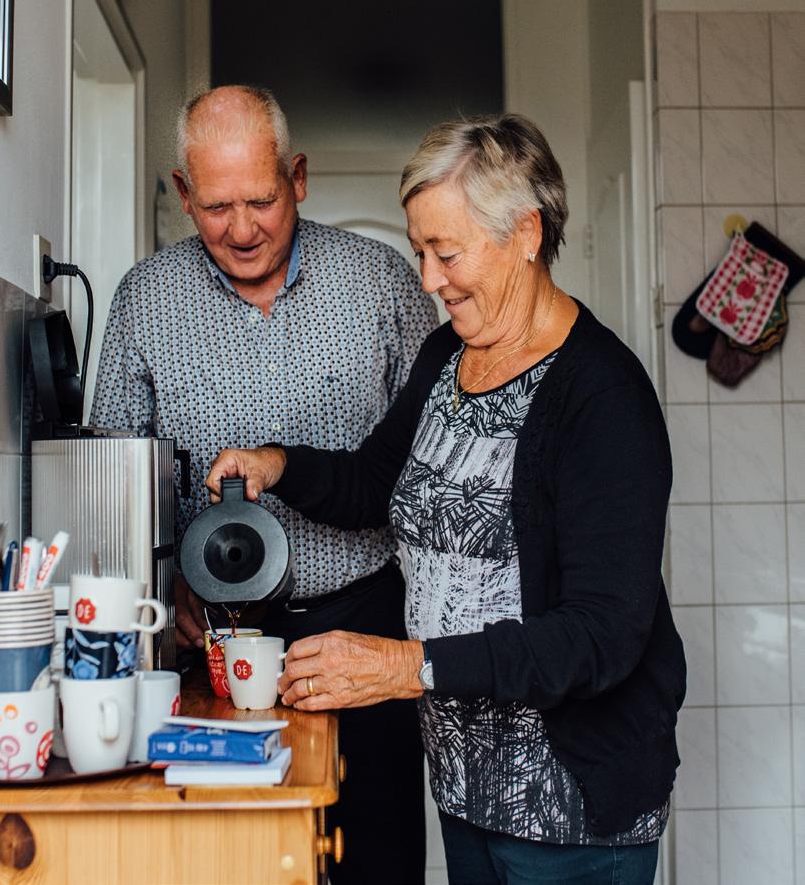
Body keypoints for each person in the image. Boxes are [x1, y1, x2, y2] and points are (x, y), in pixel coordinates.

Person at [205, 114, 687, 885]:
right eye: (417, 250)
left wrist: (408, 667)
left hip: (570, 810)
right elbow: (377, 481)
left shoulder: (603, 398)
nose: (428, 280)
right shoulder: (448, 355)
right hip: (466, 792)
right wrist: (278, 465)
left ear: (527, 233)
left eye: (446, 252)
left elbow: (603, 635)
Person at [90, 85, 437, 885]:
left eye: (261, 199)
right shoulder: (145, 300)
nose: (242, 229)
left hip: (362, 623)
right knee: (226, 862)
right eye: (215, 207)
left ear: (300, 178)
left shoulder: (383, 282)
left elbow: (431, 463)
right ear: (183, 193)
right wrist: (161, 586)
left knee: (374, 857)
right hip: (209, 638)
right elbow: (116, 471)